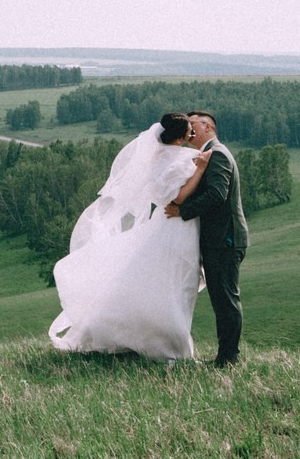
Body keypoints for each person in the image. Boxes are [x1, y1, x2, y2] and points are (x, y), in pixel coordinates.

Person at [47, 112, 206, 359]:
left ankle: (173, 342)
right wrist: (199, 171)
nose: (192, 134)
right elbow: (177, 197)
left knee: (178, 284)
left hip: (178, 225)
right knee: (175, 285)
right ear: (178, 138)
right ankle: (172, 344)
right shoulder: (168, 159)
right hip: (175, 228)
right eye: (188, 130)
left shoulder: (166, 154)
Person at [166, 111, 247, 366]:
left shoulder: (219, 154)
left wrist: (183, 211)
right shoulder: (205, 155)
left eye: (193, 124)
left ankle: (229, 358)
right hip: (217, 240)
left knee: (226, 299)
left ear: (208, 127)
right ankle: (226, 356)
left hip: (226, 239)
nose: (189, 130)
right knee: (221, 299)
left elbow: (217, 194)